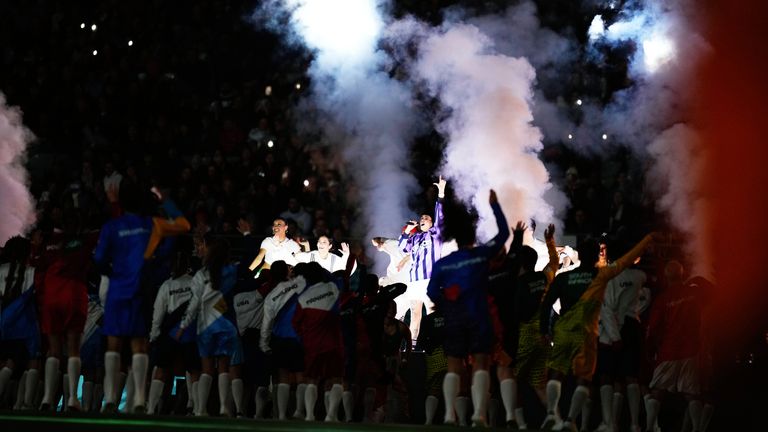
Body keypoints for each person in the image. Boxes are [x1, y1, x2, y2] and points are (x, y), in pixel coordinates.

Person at [539, 232, 655, 432]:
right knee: (584, 379)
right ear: (595, 257)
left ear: (580, 256)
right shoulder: (601, 275)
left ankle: (551, 413)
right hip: (587, 333)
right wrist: (646, 240)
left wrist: (544, 330)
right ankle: (569, 420)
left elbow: (547, 303)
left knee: (557, 373)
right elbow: (626, 260)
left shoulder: (564, 278)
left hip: (564, 331)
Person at [93, 183, 190, 413]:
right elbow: (184, 225)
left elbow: (98, 260)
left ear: (122, 202)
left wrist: (114, 274)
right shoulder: (152, 224)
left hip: (118, 290)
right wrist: (164, 200)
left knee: (114, 344)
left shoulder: (112, 226)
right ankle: (138, 399)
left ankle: (109, 399)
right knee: (139, 344)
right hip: (141, 289)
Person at [426, 189, 509, 427]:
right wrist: (495, 206)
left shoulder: (443, 263)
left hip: (454, 319)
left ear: (454, 237)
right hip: (479, 315)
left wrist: (446, 304)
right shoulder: (482, 254)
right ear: (473, 235)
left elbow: (431, 292)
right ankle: (479, 415)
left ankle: (449, 415)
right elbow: (504, 233)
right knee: (481, 363)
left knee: (453, 365)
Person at [177, 238, 239, 417]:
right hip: (226, 325)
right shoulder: (231, 271)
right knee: (224, 368)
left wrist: (183, 326)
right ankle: (224, 408)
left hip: (205, 327)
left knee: (207, 369)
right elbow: (251, 266)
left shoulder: (200, 275)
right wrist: (248, 236)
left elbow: (194, 304)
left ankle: (200, 409)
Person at [508, 221, 559, 428]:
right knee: (539, 382)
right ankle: (555, 418)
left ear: (520, 264)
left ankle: (518, 423)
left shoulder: (517, 284)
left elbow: (517, 312)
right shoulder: (544, 277)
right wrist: (550, 240)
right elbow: (555, 261)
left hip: (526, 336)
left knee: (511, 378)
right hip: (544, 337)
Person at [644, 261, 705, 432]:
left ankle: (649, 428)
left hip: (669, 351)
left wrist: (650, 349)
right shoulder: (694, 293)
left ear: (665, 276)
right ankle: (698, 429)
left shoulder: (663, 299)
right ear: (683, 274)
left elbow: (653, 328)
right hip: (691, 350)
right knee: (691, 393)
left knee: (657, 391)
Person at [595, 247, 648, 432]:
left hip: (613, 331)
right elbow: (646, 297)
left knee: (607, 375)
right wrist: (634, 314)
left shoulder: (609, 278)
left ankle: (609, 423)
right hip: (632, 326)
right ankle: (634, 424)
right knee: (630, 376)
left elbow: (607, 310)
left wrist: (615, 336)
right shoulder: (640, 276)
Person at [147, 243, 198, 415]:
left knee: (161, 369)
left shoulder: (166, 286)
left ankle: (150, 408)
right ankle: (194, 407)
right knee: (193, 370)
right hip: (190, 332)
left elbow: (158, 313)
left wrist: (154, 335)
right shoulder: (194, 283)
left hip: (170, 334)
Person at [397, 177, 447, 343]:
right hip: (414, 281)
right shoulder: (415, 237)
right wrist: (407, 232)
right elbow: (402, 248)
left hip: (431, 280)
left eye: (427, 217)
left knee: (433, 313)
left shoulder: (435, 234)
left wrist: (441, 193)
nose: (423, 219)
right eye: (422, 218)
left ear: (432, 222)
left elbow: (440, 215)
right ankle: (412, 346)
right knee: (415, 315)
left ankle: (436, 344)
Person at [260, 266, 307, 420]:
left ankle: (280, 415)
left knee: (283, 375)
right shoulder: (302, 285)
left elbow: (266, 323)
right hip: (300, 337)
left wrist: (264, 344)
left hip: (280, 338)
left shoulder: (271, 296)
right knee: (301, 375)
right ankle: (299, 411)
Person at [0, 236, 41, 411]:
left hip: (4, 320)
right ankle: (25, 403)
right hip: (25, 323)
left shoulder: (1, 270)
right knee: (32, 360)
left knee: (6, 361)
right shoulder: (32, 271)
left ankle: (14, 401)